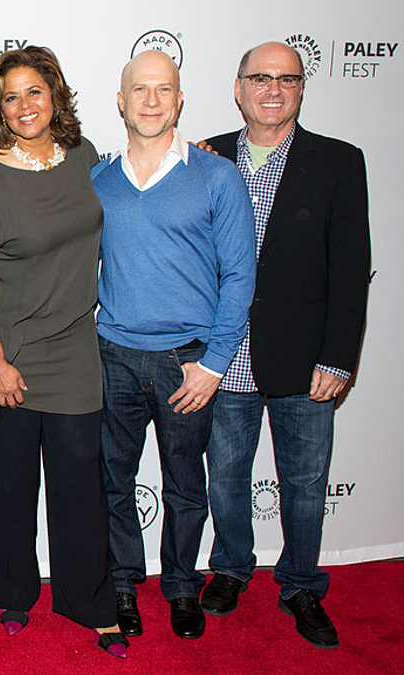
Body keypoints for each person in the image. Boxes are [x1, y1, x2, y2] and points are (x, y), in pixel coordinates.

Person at [199, 42, 370, 650]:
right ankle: (231, 568)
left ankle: (300, 583)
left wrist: (338, 357)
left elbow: (352, 270)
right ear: (238, 87)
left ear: (301, 88)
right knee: (225, 476)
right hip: (225, 355)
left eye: (287, 78)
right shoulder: (203, 155)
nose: (273, 88)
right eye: (260, 77)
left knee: (303, 480)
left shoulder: (339, 161)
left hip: (305, 359)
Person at [0, 46, 126, 658]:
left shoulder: (84, 158)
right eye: (11, 96)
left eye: (35, 91)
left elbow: (142, 173)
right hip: (10, 347)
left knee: (81, 481)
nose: (25, 105)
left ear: (55, 95)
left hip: (75, 346)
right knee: (7, 483)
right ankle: (12, 591)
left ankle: (90, 600)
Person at [92, 49, 256, 641]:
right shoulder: (99, 180)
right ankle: (122, 585)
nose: (152, 100)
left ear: (180, 99)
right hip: (111, 354)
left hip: (187, 360)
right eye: (141, 90)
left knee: (187, 482)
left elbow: (240, 275)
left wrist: (214, 364)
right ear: (121, 99)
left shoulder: (216, 176)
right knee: (112, 478)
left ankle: (183, 585)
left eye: (165, 90)